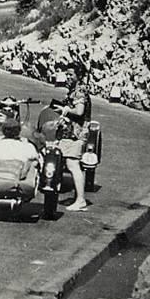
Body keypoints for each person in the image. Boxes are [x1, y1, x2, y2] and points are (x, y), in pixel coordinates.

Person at [55, 63, 94, 211]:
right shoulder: (75, 90)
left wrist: (64, 110)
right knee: (70, 163)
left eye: (71, 74)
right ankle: (79, 199)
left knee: (73, 164)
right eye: (67, 74)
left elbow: (79, 111)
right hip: (70, 132)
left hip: (76, 133)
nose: (68, 77)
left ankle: (80, 200)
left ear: (79, 75)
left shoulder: (79, 91)